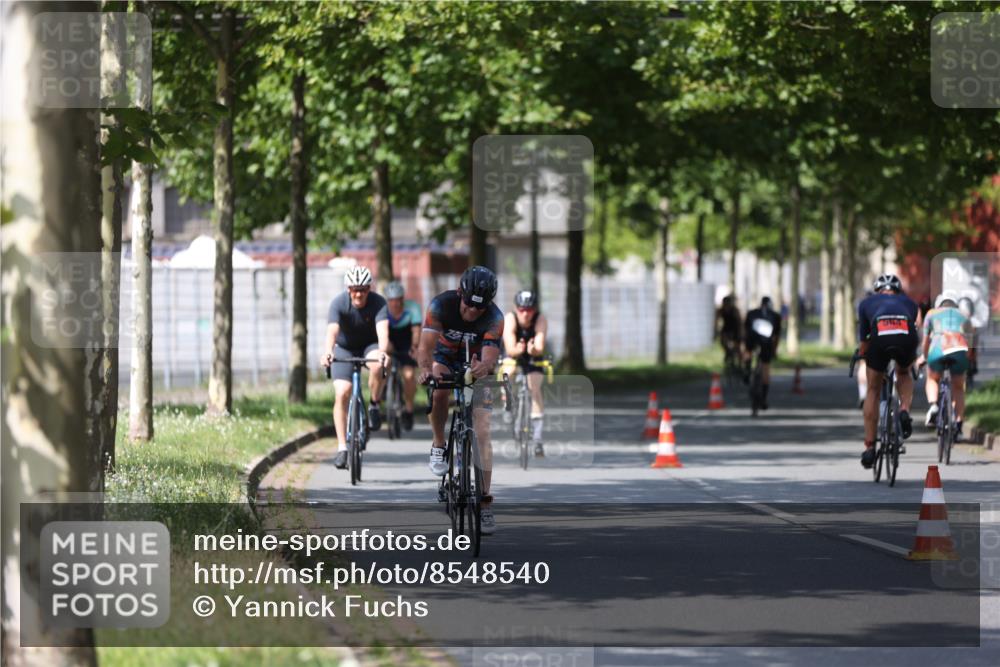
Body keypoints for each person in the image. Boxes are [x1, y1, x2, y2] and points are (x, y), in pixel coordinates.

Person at [417, 266, 504, 534]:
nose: (472, 312)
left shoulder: (495, 317)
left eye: (479, 308)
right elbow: (425, 348)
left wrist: (485, 367)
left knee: (483, 430)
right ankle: (439, 444)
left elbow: (490, 355)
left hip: (476, 362)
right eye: (468, 305)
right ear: (460, 294)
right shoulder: (440, 306)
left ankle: (485, 502)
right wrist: (424, 369)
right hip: (443, 357)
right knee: (440, 390)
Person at [320, 266, 389, 470]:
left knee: (378, 364)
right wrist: (328, 352)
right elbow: (332, 331)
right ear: (348, 289)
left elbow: (382, 332)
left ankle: (374, 404)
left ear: (369, 289)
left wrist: (383, 351)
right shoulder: (339, 303)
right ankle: (342, 447)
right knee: (342, 392)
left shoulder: (379, 303)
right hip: (345, 348)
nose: (358, 294)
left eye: (363, 289)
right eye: (354, 289)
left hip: (370, 346)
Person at [856, 274, 919, 469]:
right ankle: (904, 410)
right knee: (903, 373)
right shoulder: (910, 303)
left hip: (880, 340)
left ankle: (869, 448)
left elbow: (865, 342)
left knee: (873, 390)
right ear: (898, 291)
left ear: (877, 290)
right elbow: (914, 327)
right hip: (905, 338)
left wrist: (861, 355)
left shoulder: (866, 303)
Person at [501, 289, 549, 457]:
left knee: (534, 387)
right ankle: (508, 403)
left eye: (529, 310)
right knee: (509, 370)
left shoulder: (540, 319)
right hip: (513, 352)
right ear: (516, 308)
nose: (526, 314)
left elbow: (540, 345)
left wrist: (534, 349)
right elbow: (509, 348)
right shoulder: (510, 319)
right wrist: (518, 350)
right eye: (522, 309)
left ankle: (537, 438)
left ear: (535, 309)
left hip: (532, 356)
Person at [920, 292, 974, 440]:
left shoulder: (931, 313)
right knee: (958, 386)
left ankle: (933, 406)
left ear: (939, 304)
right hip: (959, 348)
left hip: (938, 347)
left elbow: (925, 341)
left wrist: (924, 356)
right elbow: (970, 342)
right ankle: (958, 422)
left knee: (932, 377)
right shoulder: (964, 315)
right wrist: (967, 359)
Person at [383, 280, 422, 431]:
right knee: (383, 367)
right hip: (390, 341)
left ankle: (409, 409)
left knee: (409, 375)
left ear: (403, 299)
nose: (396, 303)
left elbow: (416, 330)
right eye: (392, 300)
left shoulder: (412, 308)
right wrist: (385, 346)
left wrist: (414, 346)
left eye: (399, 300)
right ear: (388, 300)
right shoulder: (383, 310)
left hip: (407, 343)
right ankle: (386, 389)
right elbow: (381, 332)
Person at [744, 296, 782, 409]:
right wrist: (774, 351)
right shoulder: (775, 316)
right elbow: (776, 337)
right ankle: (764, 398)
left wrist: (744, 345)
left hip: (752, 340)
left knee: (748, 351)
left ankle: (746, 370)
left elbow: (746, 330)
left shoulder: (751, 313)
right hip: (766, 343)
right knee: (766, 368)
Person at [715, 295, 743, 368]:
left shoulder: (735, 310)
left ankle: (740, 364)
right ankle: (728, 353)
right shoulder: (720, 310)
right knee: (723, 341)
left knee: (738, 348)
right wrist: (716, 331)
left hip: (735, 329)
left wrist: (741, 333)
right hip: (726, 329)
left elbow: (740, 322)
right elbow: (716, 321)